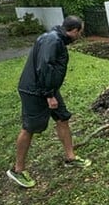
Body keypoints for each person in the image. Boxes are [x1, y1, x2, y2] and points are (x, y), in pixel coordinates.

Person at [7, 15, 91, 188]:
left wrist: (51, 91)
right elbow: (44, 67)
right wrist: (49, 95)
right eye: (80, 32)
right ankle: (17, 170)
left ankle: (70, 157)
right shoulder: (52, 41)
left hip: (47, 88)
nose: (80, 36)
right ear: (74, 31)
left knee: (62, 117)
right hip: (35, 91)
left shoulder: (56, 38)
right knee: (30, 127)